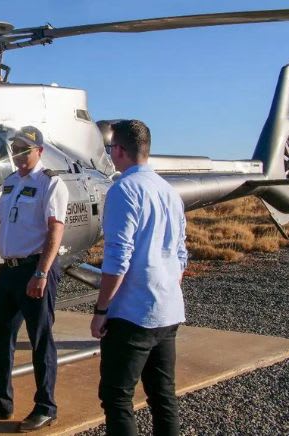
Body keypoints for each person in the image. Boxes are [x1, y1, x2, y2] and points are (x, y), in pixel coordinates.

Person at [91, 119, 187, 436]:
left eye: (110, 148)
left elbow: (118, 258)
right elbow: (182, 254)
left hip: (133, 314)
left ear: (118, 150)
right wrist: (165, 289)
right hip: (168, 310)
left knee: (117, 398)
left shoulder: (124, 189)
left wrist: (102, 309)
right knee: (162, 396)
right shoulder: (169, 191)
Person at [0, 126, 69, 432]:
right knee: (0, 335)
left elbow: (55, 231)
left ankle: (46, 406)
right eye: (15, 150)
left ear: (39, 151)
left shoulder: (51, 183)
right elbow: (0, 225)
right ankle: (1, 400)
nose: (18, 155)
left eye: (24, 150)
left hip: (34, 269)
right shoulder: (11, 181)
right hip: (9, 270)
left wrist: (42, 272)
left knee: (40, 339)